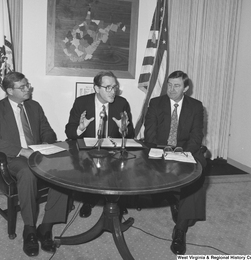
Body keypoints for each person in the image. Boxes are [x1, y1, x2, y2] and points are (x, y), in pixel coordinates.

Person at [0, 72, 69, 257]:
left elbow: (47, 131)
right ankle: (29, 229)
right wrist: (21, 151)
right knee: (28, 173)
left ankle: (46, 227)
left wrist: (46, 143)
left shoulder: (34, 106)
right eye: (22, 87)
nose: (27, 89)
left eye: (27, 84)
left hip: (37, 153)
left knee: (62, 170)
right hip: (13, 158)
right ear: (9, 90)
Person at [144, 70, 206, 255]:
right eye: (169, 85)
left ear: (185, 88)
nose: (171, 89)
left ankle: (180, 231)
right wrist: (165, 153)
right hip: (160, 148)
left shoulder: (196, 106)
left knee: (198, 173)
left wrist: (181, 154)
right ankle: (172, 198)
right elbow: (150, 134)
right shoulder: (156, 103)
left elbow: (196, 137)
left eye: (176, 86)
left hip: (185, 149)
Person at [65, 70, 135, 218]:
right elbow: (69, 131)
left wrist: (124, 129)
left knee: (122, 165)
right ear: (97, 88)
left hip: (112, 150)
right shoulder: (82, 102)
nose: (113, 92)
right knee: (86, 165)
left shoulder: (121, 103)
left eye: (114, 87)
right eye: (108, 87)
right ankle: (88, 201)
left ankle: (116, 202)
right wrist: (80, 128)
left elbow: (131, 134)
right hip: (88, 150)